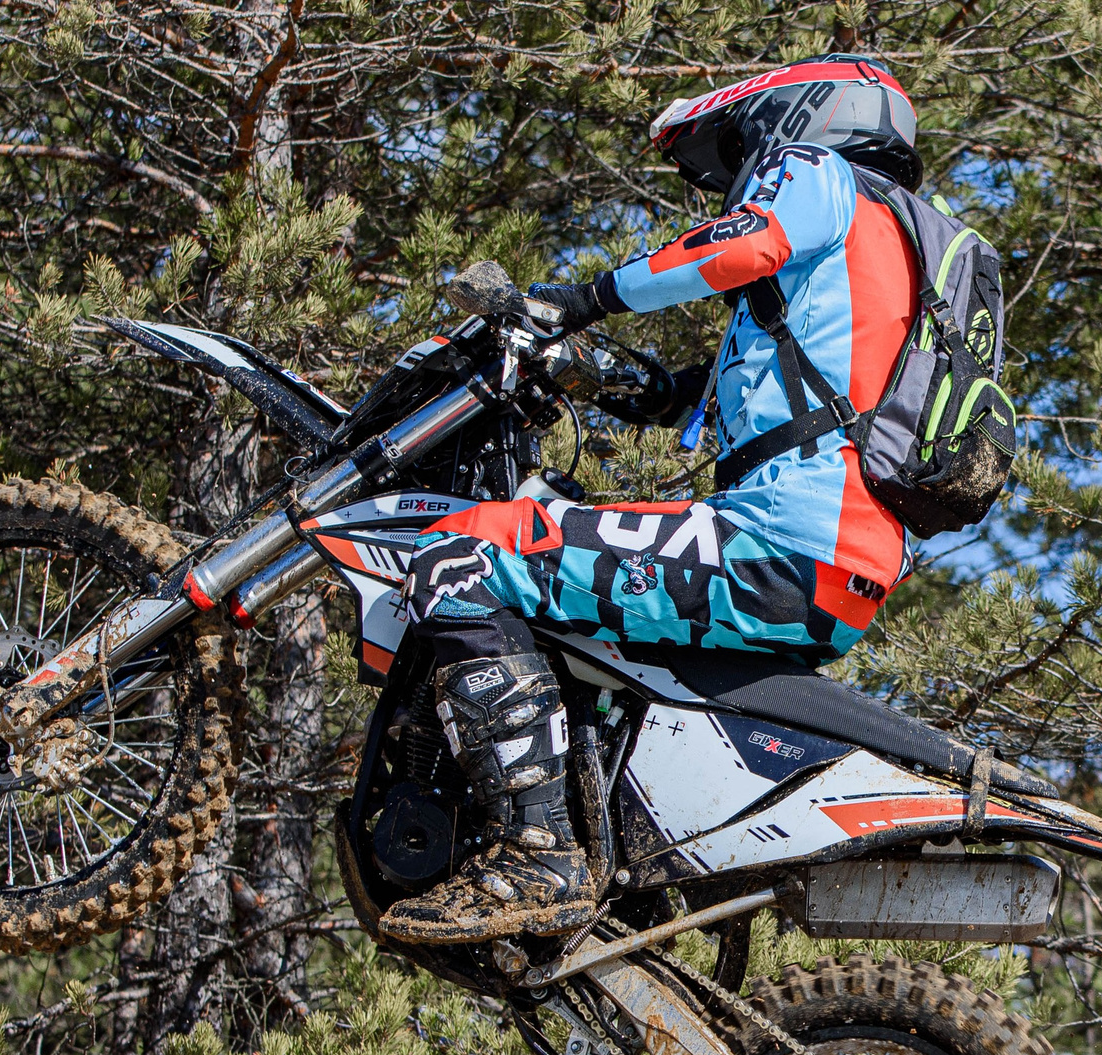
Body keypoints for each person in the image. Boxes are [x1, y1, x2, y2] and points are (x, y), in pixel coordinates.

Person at [375, 54, 927, 946]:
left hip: (778, 542)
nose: (734, 175)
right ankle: (610, 856)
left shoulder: (822, 178)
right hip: (837, 563)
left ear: (797, 117)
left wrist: (581, 299)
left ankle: (538, 852)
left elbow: (743, 245)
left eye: (737, 149)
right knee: (574, 606)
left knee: (460, 556)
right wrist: (643, 390)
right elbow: (778, 389)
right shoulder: (886, 254)